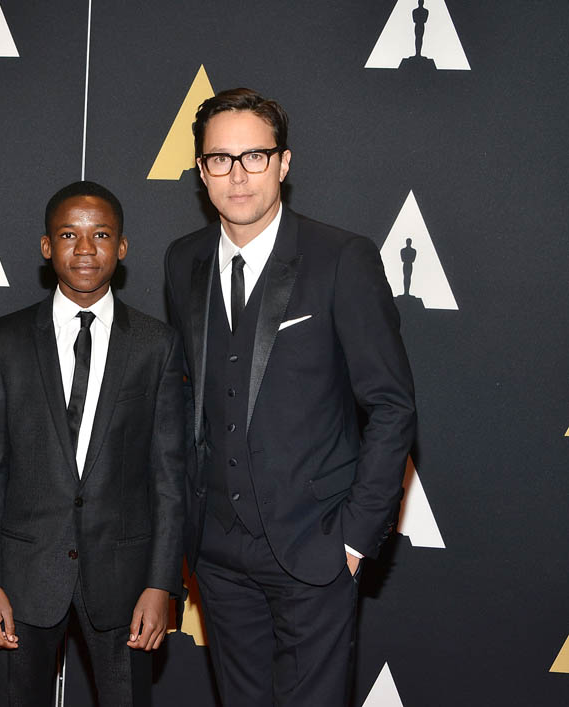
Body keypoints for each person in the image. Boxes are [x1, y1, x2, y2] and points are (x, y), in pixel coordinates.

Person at [164, 88, 416, 706]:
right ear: (201, 171)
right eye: (220, 159)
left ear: (283, 163)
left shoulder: (341, 258)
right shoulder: (182, 260)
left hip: (316, 547)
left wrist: (352, 540)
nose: (237, 174)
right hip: (217, 556)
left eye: (254, 156)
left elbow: (391, 405)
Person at [0, 181, 185, 706]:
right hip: (22, 579)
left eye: (101, 235)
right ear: (47, 247)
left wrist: (161, 585)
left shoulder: (156, 344)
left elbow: (169, 478)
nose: (85, 249)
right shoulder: (5, 341)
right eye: (69, 235)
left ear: (122, 247)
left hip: (125, 583)